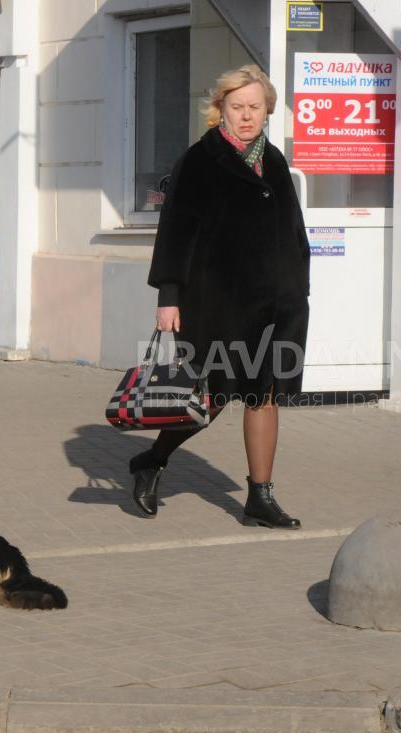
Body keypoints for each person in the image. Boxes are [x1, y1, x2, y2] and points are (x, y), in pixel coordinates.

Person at [129, 64, 310, 529]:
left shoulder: (275, 160)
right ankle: (153, 459)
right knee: (210, 398)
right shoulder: (198, 161)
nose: (246, 116)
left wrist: (299, 284)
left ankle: (259, 498)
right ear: (220, 110)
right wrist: (168, 296)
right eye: (237, 107)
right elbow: (175, 232)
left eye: (254, 107)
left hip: (277, 302)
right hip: (219, 300)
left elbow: (293, 229)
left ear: (267, 110)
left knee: (264, 393)